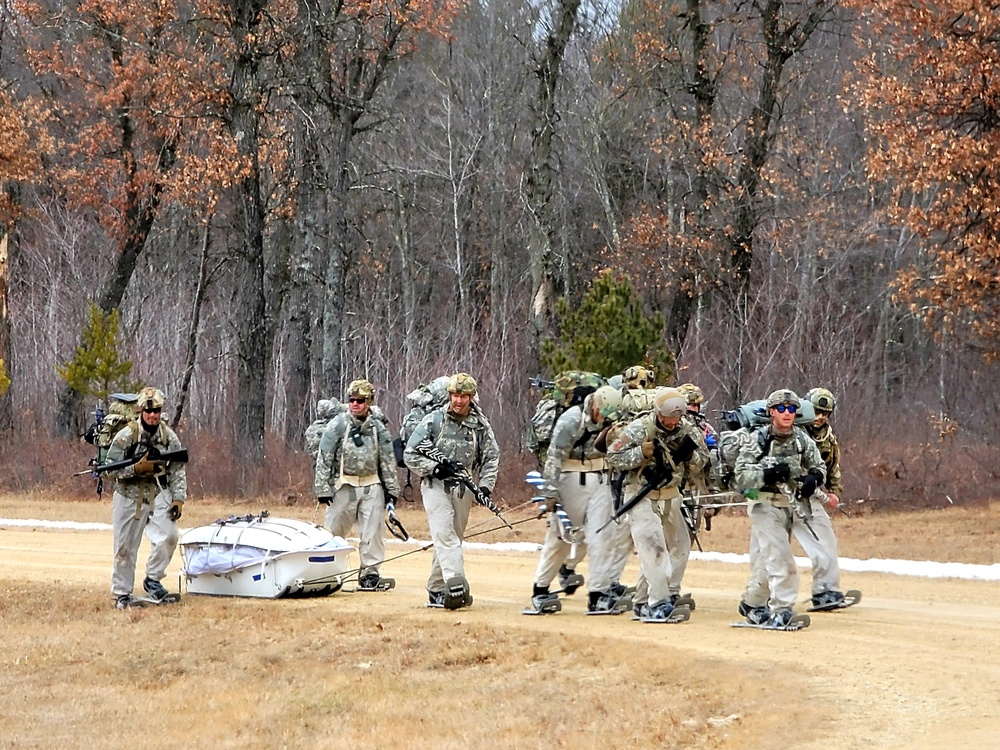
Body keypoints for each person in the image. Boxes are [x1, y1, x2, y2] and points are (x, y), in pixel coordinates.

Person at [606, 387, 709, 622]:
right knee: (653, 550)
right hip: (641, 495)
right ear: (658, 412)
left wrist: (687, 456)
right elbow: (613, 456)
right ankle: (658, 602)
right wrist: (641, 454)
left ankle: (645, 599)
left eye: (677, 417)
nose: (672, 422)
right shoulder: (640, 428)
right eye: (668, 418)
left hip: (671, 495)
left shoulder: (687, 429)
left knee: (680, 547)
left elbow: (702, 461)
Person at [524, 384, 624, 615]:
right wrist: (550, 492)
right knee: (561, 537)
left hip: (601, 479)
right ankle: (540, 589)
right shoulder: (571, 420)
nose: (605, 420)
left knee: (602, 537)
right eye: (603, 415)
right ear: (595, 405)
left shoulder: (614, 422)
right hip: (570, 478)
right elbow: (554, 456)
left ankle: (598, 594)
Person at [403, 372, 500, 610]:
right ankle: (457, 584)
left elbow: (491, 456)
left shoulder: (480, 425)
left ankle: (437, 589)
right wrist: (435, 468)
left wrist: (485, 487)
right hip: (435, 485)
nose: (459, 401)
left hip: (464, 487)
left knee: (451, 539)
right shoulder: (433, 420)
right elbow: (410, 453)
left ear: (471, 397)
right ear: (449, 395)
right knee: (445, 534)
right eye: (455, 395)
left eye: (464, 396)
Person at [734, 389, 826, 628]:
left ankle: (753, 603)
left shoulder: (802, 440)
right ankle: (781, 610)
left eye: (792, 409)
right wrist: (767, 474)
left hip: (792, 506)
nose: (787, 414)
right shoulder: (758, 440)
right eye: (782, 409)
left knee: (768, 561)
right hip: (765, 505)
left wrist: (814, 478)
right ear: (772, 412)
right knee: (781, 560)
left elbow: (819, 465)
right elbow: (741, 476)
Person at [314, 379, 401, 592]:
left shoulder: (378, 429)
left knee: (372, 533)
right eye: (352, 400)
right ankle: (327, 571)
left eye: (360, 401)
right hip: (343, 485)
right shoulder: (338, 425)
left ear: (369, 402)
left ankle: (370, 573)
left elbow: (387, 460)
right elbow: (324, 457)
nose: (355, 404)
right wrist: (322, 488)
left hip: (372, 485)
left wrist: (392, 491)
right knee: (334, 531)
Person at [105, 387, 188, 609]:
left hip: (158, 491)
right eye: (149, 411)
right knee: (125, 547)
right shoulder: (126, 436)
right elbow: (110, 471)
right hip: (128, 495)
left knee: (169, 536)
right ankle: (122, 593)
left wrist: (178, 498)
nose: (153, 415)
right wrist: (135, 468)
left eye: (157, 411)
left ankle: (153, 580)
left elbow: (178, 468)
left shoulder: (168, 436)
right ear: (142, 411)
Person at [800, 386, 849, 608]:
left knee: (825, 542)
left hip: (811, 498)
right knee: (770, 551)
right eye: (816, 411)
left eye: (825, 413)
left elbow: (833, 469)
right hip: (780, 496)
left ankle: (826, 591)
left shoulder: (828, 439)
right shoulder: (792, 431)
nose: (820, 417)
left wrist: (835, 492)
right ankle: (758, 600)